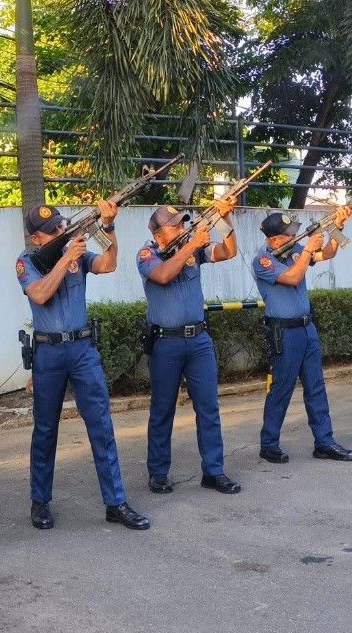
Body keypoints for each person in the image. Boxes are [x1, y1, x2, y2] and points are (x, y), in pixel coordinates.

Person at [15, 204, 150, 531]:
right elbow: (40, 293)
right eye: (53, 232)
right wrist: (65, 257)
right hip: (48, 351)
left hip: (81, 349)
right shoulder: (27, 261)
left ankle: (116, 502)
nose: (60, 234)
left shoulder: (76, 255)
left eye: (62, 227)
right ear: (36, 238)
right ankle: (40, 501)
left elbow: (108, 264)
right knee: (45, 429)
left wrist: (109, 227)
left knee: (102, 425)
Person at [137, 199, 242, 495]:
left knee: (209, 407)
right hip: (166, 342)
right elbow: (163, 275)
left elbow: (228, 251)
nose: (182, 228)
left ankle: (214, 471)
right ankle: (158, 472)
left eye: (183, 223)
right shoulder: (148, 254)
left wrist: (225, 222)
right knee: (162, 409)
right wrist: (190, 245)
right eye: (176, 226)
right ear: (159, 235)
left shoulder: (194, 249)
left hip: (198, 341)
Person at [251, 209, 352, 464]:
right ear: (274, 240)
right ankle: (269, 444)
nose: (295, 237)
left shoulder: (296, 251)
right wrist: (308, 249)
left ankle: (325, 442)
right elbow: (293, 277)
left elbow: (329, 253)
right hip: (284, 332)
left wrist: (337, 227)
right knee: (282, 388)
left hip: (306, 329)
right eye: (290, 234)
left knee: (316, 387)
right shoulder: (263, 260)